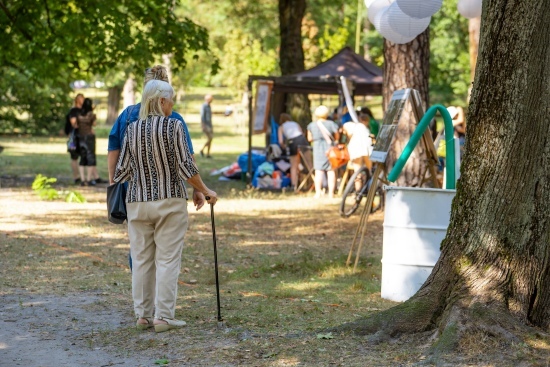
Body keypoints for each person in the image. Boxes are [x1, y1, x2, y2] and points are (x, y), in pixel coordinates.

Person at [113, 79, 218, 333]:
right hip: (169, 200)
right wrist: (204, 190)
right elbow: (185, 166)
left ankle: (143, 315)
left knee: (141, 260)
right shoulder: (174, 126)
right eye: (171, 99)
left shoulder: (132, 128)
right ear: (161, 101)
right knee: (168, 259)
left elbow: (121, 172)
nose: (173, 104)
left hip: (137, 202)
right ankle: (164, 317)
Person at [108, 65, 197, 272]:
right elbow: (188, 157)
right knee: (166, 251)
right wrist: (198, 189)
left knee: (139, 251)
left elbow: (114, 150)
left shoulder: (128, 115)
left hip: (134, 190)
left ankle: (142, 294)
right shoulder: (174, 118)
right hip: (169, 191)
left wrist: (113, 183)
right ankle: (160, 295)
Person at [307, 105, 340, 198]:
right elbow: (337, 137)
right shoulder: (332, 124)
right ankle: (331, 193)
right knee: (331, 171)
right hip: (330, 149)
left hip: (317, 148)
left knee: (318, 171)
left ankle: (318, 192)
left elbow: (309, 138)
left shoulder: (312, 125)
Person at [277, 113, 309, 189]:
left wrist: (284, 147)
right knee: (308, 163)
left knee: (293, 166)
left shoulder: (281, 127)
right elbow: (301, 133)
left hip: (292, 142)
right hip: (302, 140)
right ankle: (309, 182)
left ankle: (294, 185)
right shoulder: (295, 123)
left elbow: (281, 141)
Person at [343, 114, 373, 192]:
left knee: (357, 171)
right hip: (366, 149)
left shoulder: (352, 126)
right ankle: (365, 189)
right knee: (368, 171)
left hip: (357, 149)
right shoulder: (363, 128)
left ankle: (358, 190)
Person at [74, 98, 98, 186]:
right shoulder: (91, 115)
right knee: (90, 157)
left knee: (82, 158)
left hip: (81, 137)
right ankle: (88, 179)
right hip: (89, 137)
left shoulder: (78, 114)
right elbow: (94, 124)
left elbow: (76, 125)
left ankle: (82, 180)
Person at [65, 94, 84, 184]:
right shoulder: (73, 111)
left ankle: (84, 177)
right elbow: (74, 124)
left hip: (84, 136)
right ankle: (76, 176)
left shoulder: (84, 110)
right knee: (74, 156)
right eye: (80, 99)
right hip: (74, 137)